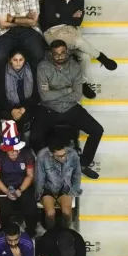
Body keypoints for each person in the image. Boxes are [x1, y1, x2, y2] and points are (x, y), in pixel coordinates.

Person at [33, 41, 102, 179]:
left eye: (62, 53)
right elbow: (45, 96)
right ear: (51, 54)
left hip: (70, 107)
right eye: (56, 54)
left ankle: (83, 163)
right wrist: (67, 89)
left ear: (67, 52)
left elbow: (77, 95)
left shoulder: (75, 67)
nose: (59, 56)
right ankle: (48, 164)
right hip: (48, 109)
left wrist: (56, 93)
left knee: (97, 130)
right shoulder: (43, 67)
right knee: (34, 137)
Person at [42, 0, 115, 68]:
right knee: (79, 41)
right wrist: (71, 17)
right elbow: (50, 19)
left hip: (71, 31)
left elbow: (78, 22)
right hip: (53, 32)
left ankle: (83, 81)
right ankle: (101, 57)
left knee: (85, 57)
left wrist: (60, 16)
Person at [0, 0, 46, 74]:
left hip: (28, 30)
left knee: (38, 55)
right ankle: (5, 79)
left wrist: (12, 19)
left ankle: (31, 78)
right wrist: (25, 19)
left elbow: (34, 22)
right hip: (6, 31)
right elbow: (2, 24)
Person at [0, 120, 38, 236]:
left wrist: (20, 190)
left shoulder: (26, 154)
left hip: (23, 185)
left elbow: (30, 175)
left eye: (16, 149)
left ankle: (31, 231)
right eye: (10, 150)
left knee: (30, 208)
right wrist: (7, 191)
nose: (13, 152)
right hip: (5, 186)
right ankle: (6, 232)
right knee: (4, 210)